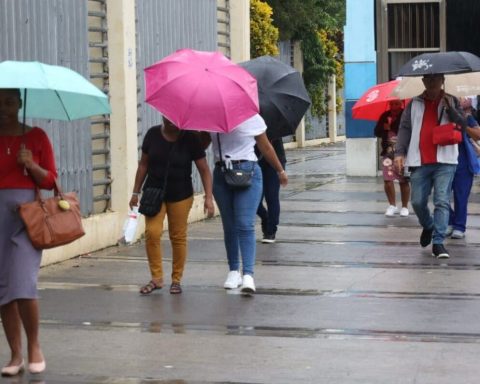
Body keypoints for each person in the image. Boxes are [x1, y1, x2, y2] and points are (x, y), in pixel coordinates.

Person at [0, 88, 56, 376]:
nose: (4, 108)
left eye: (9, 101)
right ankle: (15, 355)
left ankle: (34, 345)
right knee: (4, 289)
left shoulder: (36, 137)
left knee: (23, 283)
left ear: (20, 103)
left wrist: (31, 164)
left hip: (26, 221)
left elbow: (50, 181)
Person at [202, 114, 288, 295]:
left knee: (245, 224)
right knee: (229, 225)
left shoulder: (250, 116)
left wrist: (279, 170)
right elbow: (202, 146)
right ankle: (234, 271)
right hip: (222, 174)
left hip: (248, 172)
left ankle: (248, 274)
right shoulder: (210, 117)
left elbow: (265, 145)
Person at [130, 117, 214, 295]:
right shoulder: (152, 134)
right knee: (152, 233)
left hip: (181, 195)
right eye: (167, 119)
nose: (170, 122)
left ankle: (176, 280)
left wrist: (208, 197)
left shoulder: (191, 139)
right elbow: (143, 164)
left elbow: (204, 169)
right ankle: (156, 278)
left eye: (174, 120)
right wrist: (135, 193)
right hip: (154, 194)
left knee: (178, 236)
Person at [394, 74, 466, 259]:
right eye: (428, 78)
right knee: (417, 201)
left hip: (446, 160)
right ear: (423, 81)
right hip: (419, 160)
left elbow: (462, 124)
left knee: (441, 200)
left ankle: (438, 242)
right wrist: (399, 153)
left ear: (442, 80)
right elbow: (404, 129)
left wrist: (450, 109)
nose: (431, 81)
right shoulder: (414, 103)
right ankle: (428, 225)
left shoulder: (452, 100)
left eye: (435, 78)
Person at [446, 97, 480, 239]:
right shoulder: (439, 115)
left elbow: (478, 135)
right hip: (443, 159)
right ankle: (449, 221)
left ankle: (459, 226)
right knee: (441, 196)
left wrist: (463, 124)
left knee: (461, 195)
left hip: (462, 160)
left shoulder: (467, 116)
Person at [374, 99, 410, 217]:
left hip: (402, 153)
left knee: (403, 180)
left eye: (397, 104)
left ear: (401, 104)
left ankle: (404, 207)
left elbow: (408, 130)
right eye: (392, 104)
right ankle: (392, 205)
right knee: (387, 179)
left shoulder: (406, 114)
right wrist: (384, 128)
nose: (394, 106)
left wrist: (392, 126)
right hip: (388, 152)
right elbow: (377, 132)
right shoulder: (385, 115)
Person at [256, 137, 286, 243]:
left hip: (275, 161)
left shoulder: (275, 124)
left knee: (271, 196)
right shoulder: (251, 122)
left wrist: (281, 171)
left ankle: (271, 231)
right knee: (254, 200)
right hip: (255, 161)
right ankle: (265, 217)